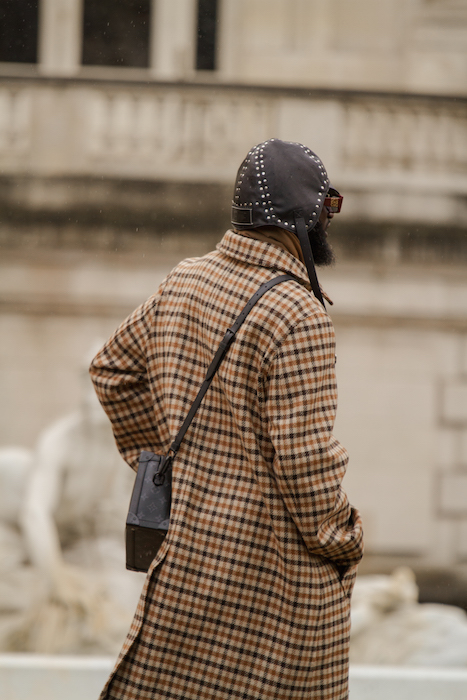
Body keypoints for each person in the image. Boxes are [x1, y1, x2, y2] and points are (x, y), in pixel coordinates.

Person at [90, 138, 364, 700]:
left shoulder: (185, 279)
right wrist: (345, 538)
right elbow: (305, 462)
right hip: (275, 587)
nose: (328, 222)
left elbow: (112, 371)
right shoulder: (298, 313)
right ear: (304, 217)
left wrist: (173, 473)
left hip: (188, 563)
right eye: (327, 208)